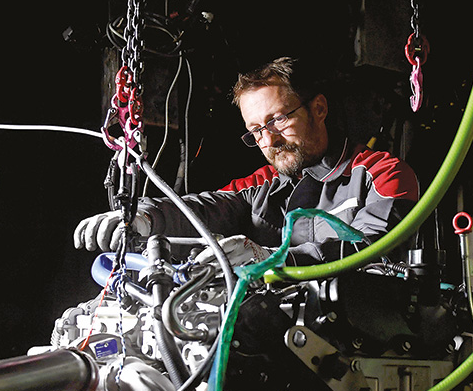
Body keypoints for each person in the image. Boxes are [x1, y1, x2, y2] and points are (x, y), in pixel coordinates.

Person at [74, 57, 419, 266]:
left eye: (278, 120)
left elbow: (373, 250)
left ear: (318, 108)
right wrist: (145, 217)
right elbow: (204, 209)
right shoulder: (261, 185)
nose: (268, 140)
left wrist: (272, 259)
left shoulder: (382, 175)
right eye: (256, 130)